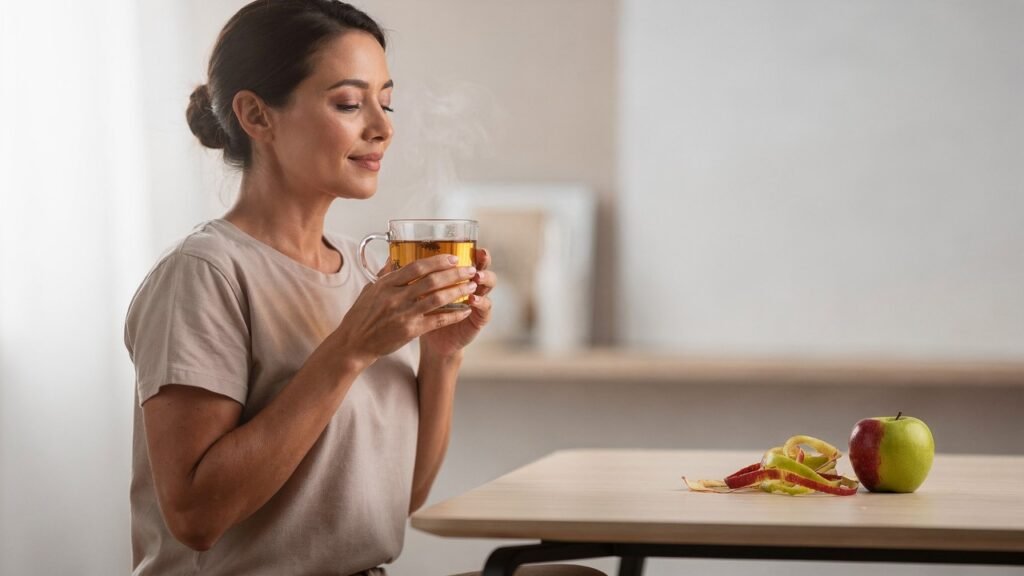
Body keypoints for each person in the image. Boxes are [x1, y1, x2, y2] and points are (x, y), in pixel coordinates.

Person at [124, 1, 605, 575]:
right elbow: (196, 517)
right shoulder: (205, 273)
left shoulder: (364, 270)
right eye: (349, 103)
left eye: (387, 100)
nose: (382, 126)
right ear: (257, 116)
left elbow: (402, 497)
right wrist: (350, 346)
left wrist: (441, 355)